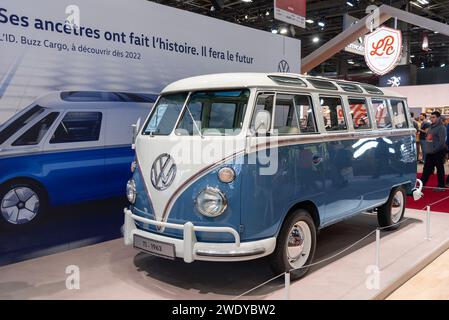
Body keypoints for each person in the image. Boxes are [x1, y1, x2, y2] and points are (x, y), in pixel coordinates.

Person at [420, 111, 447, 192]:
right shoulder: (431, 127)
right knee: (426, 169)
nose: (431, 119)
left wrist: (434, 150)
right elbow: (428, 138)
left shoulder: (442, 128)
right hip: (430, 152)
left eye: (433, 117)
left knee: (440, 169)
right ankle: (422, 184)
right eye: (431, 117)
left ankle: (441, 186)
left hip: (438, 152)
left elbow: (442, 142)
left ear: (438, 118)